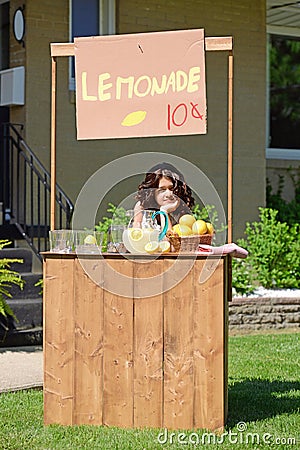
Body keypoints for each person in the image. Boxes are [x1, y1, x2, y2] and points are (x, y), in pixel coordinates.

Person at [132, 162, 195, 230]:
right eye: (162, 190)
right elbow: (135, 235)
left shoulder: (181, 209)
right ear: (152, 192)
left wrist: (164, 211)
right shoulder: (141, 207)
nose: (169, 194)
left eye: (172, 188)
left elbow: (170, 239)